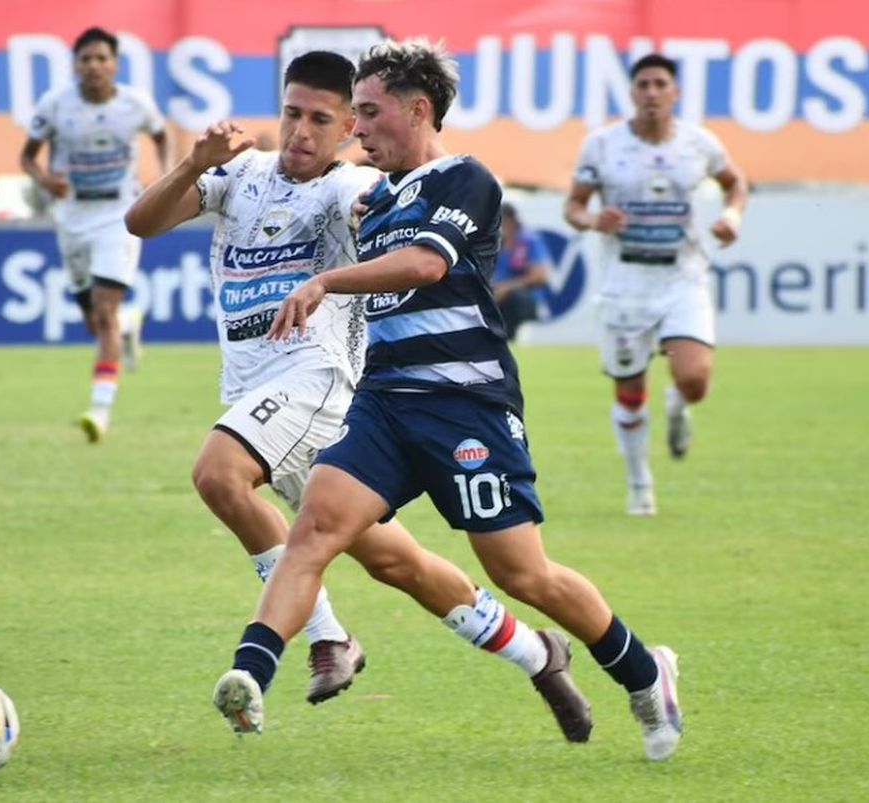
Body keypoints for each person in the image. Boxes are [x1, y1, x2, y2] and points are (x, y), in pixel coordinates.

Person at [212, 38, 683, 762]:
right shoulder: (378, 195)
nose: (358, 128)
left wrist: (326, 282)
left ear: (418, 109)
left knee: (523, 574)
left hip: (466, 404)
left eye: (368, 112)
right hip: (384, 404)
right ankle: (250, 672)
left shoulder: (467, 179)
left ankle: (647, 673)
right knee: (314, 531)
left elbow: (429, 264)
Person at [127, 51, 589, 722]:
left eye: (323, 120)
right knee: (398, 565)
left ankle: (325, 638)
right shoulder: (241, 175)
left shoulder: (351, 188)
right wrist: (195, 162)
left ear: (351, 128)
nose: (301, 133)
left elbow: (395, 217)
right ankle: (537, 655)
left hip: (320, 384)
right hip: (266, 398)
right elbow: (141, 223)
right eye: (292, 114)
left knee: (219, 473)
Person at [563, 53, 748, 516]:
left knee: (695, 378)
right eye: (643, 84)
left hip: (682, 273)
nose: (651, 92)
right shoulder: (602, 145)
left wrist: (731, 216)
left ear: (675, 91)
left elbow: (735, 182)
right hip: (624, 279)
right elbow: (573, 207)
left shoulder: (699, 143)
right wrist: (593, 219)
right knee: (629, 387)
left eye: (660, 84)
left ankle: (678, 404)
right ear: (631, 92)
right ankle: (639, 483)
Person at [20, 26, 171, 442]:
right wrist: (45, 179)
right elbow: (28, 157)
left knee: (101, 313)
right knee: (95, 321)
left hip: (118, 214)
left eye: (101, 58)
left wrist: (162, 178)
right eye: (86, 59)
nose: (94, 66)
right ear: (76, 64)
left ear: (114, 64)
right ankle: (127, 323)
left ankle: (99, 411)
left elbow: (161, 137)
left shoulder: (134, 105)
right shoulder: (55, 105)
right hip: (71, 216)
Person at [492, 202, 550, 340]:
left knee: (511, 299)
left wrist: (507, 287)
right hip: (496, 293)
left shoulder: (528, 241)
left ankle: (509, 338)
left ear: (509, 221)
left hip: (525, 298)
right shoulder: (495, 243)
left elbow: (540, 276)